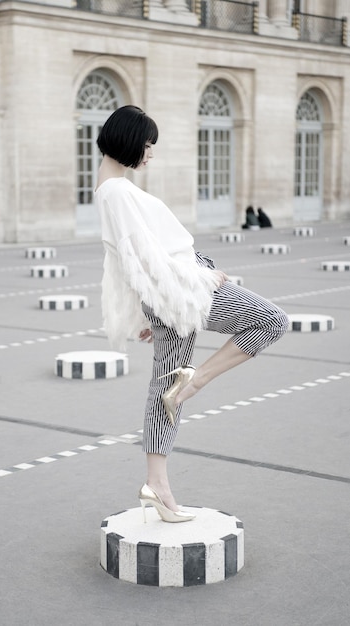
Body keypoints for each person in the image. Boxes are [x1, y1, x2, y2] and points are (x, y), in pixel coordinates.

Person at [95, 105, 289, 523]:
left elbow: (125, 260)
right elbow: (138, 255)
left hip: (167, 292)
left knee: (164, 389)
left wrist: (148, 310)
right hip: (182, 288)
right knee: (271, 321)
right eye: (148, 145)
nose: (151, 153)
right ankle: (197, 379)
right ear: (129, 141)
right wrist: (198, 278)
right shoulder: (117, 191)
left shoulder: (110, 188)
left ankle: (157, 486)